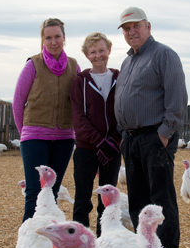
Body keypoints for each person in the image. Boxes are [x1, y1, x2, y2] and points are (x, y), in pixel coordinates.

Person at [113, 7, 187, 248]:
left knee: (161, 199)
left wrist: (164, 135)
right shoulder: (128, 61)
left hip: (155, 137)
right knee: (138, 201)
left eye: (136, 26)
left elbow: (177, 99)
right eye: (126, 28)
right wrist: (124, 136)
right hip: (132, 139)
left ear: (148, 26)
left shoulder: (164, 55)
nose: (131, 31)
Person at [12, 18, 78, 221]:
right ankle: (28, 243)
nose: (53, 41)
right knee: (34, 192)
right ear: (43, 40)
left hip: (64, 138)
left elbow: (78, 101)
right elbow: (18, 102)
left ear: (64, 38)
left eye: (57, 36)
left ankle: (48, 245)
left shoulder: (74, 66)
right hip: (34, 137)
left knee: (52, 192)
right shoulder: (33, 65)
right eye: (48, 37)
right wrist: (24, 132)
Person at [70, 32, 121, 235]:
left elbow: (124, 113)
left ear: (109, 51)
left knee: (107, 200)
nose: (98, 55)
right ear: (86, 55)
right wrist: (100, 142)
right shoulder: (80, 82)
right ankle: (81, 243)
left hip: (113, 148)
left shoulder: (119, 77)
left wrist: (115, 141)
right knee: (83, 199)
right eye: (93, 52)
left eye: (102, 50)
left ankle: (105, 240)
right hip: (87, 148)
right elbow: (78, 118)